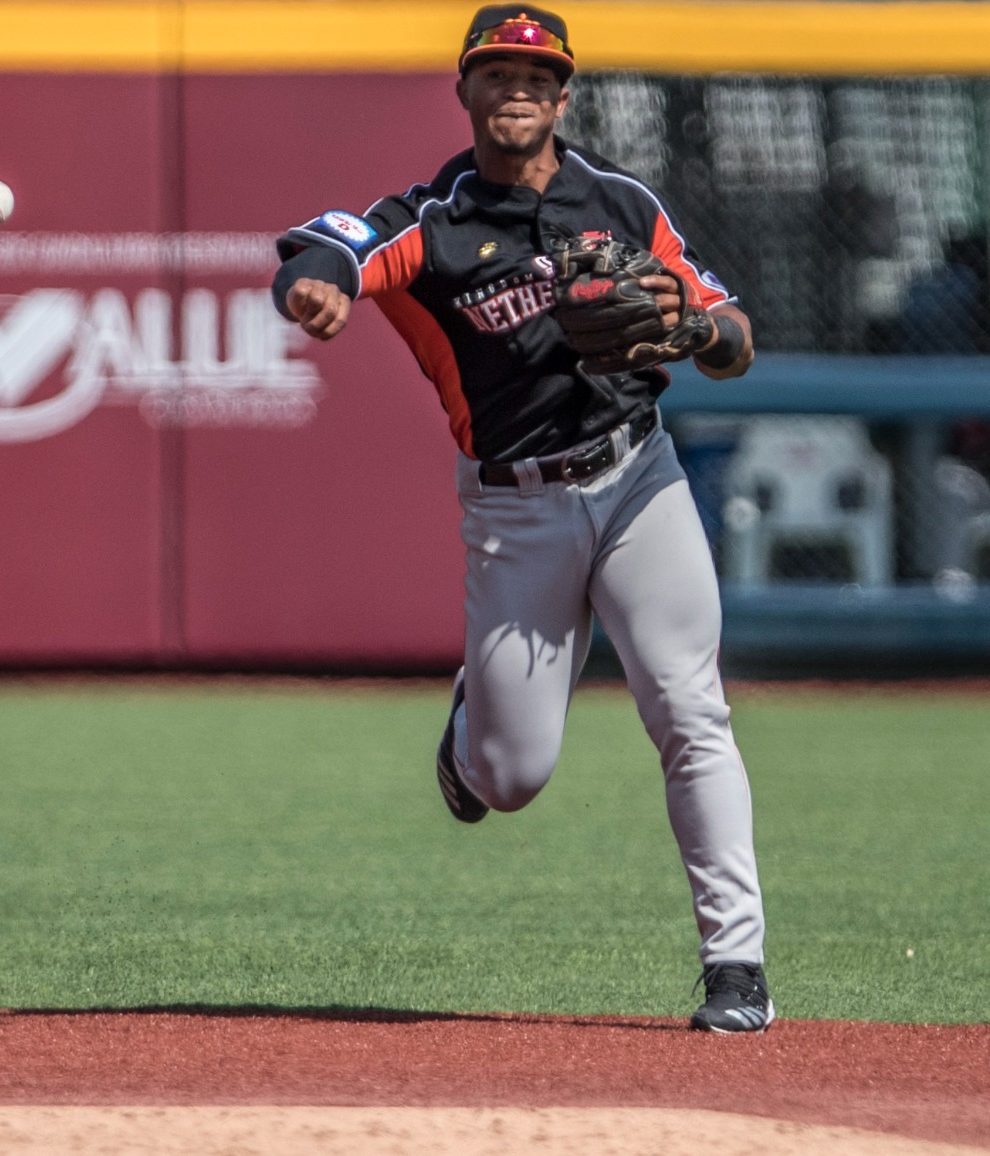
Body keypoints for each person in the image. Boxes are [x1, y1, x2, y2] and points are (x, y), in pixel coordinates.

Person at [271, 5, 772, 1033]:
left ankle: (738, 968)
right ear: (464, 90)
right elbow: (331, 249)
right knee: (511, 777)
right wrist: (312, 289)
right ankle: (471, 734)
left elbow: (735, 334)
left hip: (638, 479)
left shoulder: (621, 201)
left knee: (690, 710)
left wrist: (695, 328)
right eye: (497, 74)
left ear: (565, 96)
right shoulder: (436, 221)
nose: (518, 91)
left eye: (538, 77)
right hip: (516, 506)